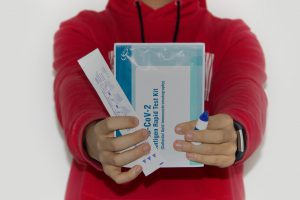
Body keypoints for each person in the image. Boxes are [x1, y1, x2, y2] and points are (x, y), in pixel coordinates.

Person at [53, 0, 267, 199]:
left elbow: (245, 91)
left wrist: (236, 134)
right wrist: (90, 135)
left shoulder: (233, 37)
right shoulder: (82, 31)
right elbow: (72, 91)